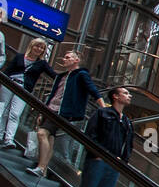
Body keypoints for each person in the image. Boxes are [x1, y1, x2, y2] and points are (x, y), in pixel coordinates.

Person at [71, 86, 134, 187]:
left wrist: (123, 161)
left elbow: (128, 144)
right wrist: (97, 154)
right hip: (97, 161)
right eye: (125, 93)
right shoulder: (102, 113)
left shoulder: (127, 121)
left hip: (114, 164)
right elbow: (90, 135)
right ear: (115, 96)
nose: (129, 96)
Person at [29, 49, 104, 178]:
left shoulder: (80, 74)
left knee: (42, 133)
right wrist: (43, 111)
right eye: (64, 57)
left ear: (76, 60)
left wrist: (103, 107)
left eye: (68, 57)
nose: (65, 59)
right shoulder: (61, 77)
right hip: (50, 109)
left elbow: (92, 89)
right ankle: (44, 169)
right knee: (50, 138)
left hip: (62, 112)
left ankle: (41, 167)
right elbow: (53, 95)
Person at [0, 37, 52, 148]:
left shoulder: (42, 64)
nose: (39, 49)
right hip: (8, 84)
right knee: (3, 111)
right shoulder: (19, 57)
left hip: (23, 89)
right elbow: (8, 71)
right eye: (37, 46)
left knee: (15, 114)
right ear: (32, 46)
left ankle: (9, 139)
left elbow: (53, 75)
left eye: (42, 48)